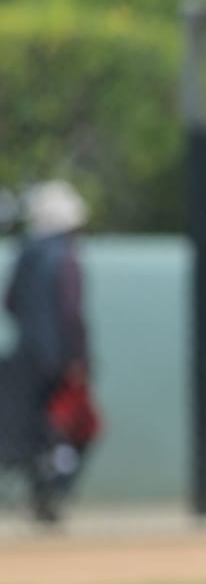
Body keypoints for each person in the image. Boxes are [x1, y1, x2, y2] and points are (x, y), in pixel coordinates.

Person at [2, 180, 98, 526]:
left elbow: (11, 303)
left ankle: (41, 493)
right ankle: (52, 492)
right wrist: (77, 360)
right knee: (75, 429)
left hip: (27, 357)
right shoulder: (66, 257)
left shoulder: (26, 253)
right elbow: (71, 311)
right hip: (60, 361)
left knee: (36, 432)